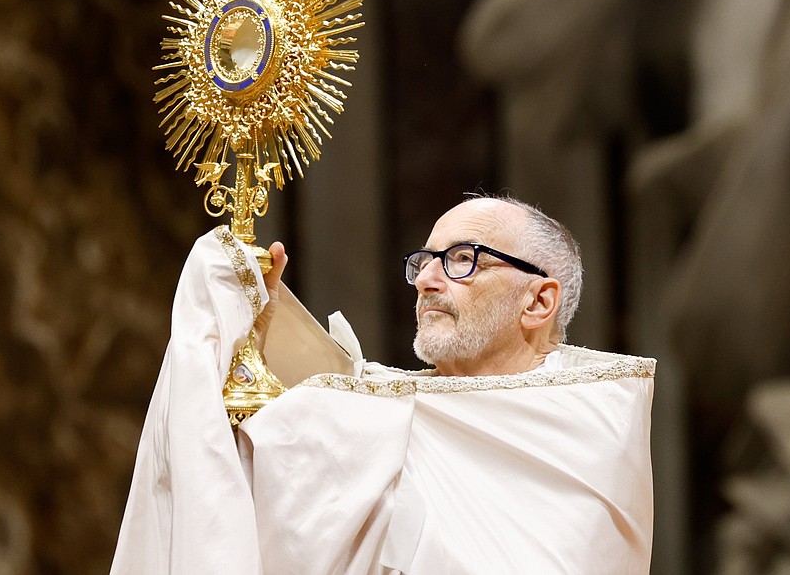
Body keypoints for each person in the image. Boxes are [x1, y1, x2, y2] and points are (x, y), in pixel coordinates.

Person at [111, 195, 655, 574]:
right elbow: (337, 402)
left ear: (538, 302)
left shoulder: (589, 427)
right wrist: (253, 310)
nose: (426, 279)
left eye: (461, 260)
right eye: (423, 262)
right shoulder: (392, 416)